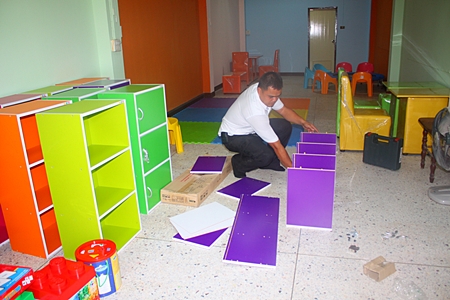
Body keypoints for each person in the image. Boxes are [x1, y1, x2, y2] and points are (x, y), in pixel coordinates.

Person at [218, 71, 318, 178]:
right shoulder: (254, 111)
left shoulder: (264, 89)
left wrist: (303, 122)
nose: (274, 100)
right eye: (271, 97)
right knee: (265, 156)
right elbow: (276, 145)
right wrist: (296, 171)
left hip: (250, 128)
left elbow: (283, 110)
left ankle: (271, 163)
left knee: (284, 126)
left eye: (277, 96)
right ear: (259, 90)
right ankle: (239, 163)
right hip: (233, 136)